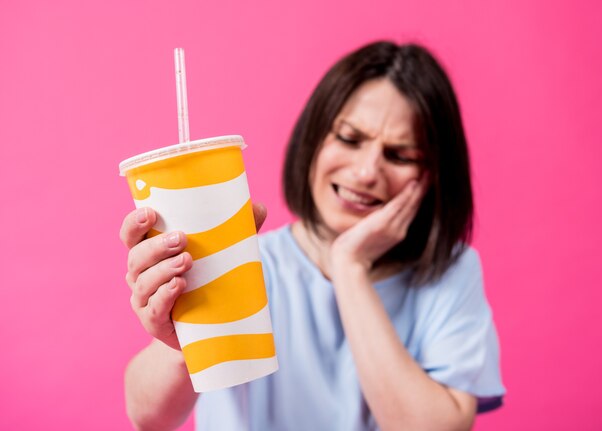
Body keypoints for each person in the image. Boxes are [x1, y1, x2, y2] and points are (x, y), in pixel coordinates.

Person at [119, 41, 505, 431]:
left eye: (400, 155)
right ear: (314, 139)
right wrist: (183, 342)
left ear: (433, 175)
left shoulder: (449, 274)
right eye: (350, 139)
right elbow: (148, 418)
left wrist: (349, 266)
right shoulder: (247, 263)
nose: (367, 172)